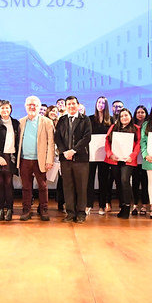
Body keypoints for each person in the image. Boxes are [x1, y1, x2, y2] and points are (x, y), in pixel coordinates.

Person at [54, 95, 92, 223]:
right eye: (68, 104)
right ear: (65, 106)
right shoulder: (62, 120)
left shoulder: (85, 119)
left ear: (78, 105)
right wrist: (64, 151)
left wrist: (74, 150)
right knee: (68, 186)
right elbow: (57, 137)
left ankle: (81, 213)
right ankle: (70, 213)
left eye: (73, 103)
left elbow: (87, 138)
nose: (71, 106)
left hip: (81, 159)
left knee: (81, 187)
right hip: (65, 159)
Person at [17, 95, 55, 221]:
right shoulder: (21, 122)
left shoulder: (47, 122)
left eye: (35, 105)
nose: (32, 107)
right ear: (25, 106)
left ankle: (43, 209)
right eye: (29, 105)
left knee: (43, 186)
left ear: (39, 107)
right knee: (26, 187)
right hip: (24, 160)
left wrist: (50, 160)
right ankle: (26, 209)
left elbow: (51, 142)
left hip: (41, 160)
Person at [0, 100, 21, 221]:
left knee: (8, 183)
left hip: (10, 156)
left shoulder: (16, 123)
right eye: (2, 108)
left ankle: (10, 209)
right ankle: (1, 209)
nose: (5, 111)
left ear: (10, 109)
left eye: (7, 108)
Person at [104, 107, 141, 219]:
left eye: (126, 115)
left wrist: (132, 156)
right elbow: (107, 142)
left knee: (125, 180)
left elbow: (138, 144)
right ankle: (122, 206)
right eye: (122, 116)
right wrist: (110, 154)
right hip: (114, 160)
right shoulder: (113, 127)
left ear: (130, 116)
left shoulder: (136, 128)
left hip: (128, 160)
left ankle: (127, 206)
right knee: (118, 182)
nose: (124, 118)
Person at [88, 96, 112, 215]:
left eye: (103, 103)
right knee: (89, 180)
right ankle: (88, 205)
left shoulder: (111, 120)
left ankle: (102, 205)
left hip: (105, 155)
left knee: (103, 180)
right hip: (91, 155)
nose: (100, 104)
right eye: (99, 102)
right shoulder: (90, 119)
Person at [131, 105, 149, 215]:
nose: (140, 114)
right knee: (135, 183)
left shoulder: (149, 126)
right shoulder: (131, 127)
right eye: (138, 112)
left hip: (146, 158)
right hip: (134, 159)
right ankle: (135, 205)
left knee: (145, 183)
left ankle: (145, 206)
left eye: (142, 112)